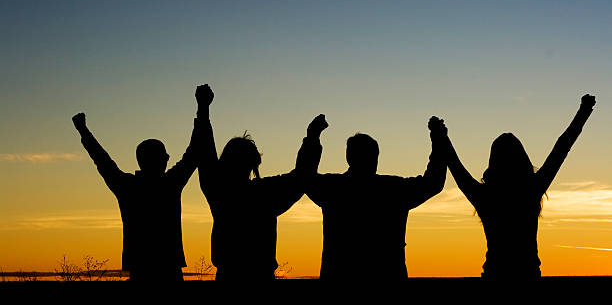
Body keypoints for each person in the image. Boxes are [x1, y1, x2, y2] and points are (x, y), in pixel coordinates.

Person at [440, 94, 596, 279]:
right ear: (523, 159)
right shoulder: (532, 189)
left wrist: (440, 135)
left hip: (495, 275)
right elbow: (562, 148)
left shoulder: (484, 196)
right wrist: (583, 112)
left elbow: (455, 165)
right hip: (527, 275)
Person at [71, 84, 211, 281]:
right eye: (165, 155)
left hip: (141, 270)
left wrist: (83, 131)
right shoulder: (169, 184)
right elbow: (194, 151)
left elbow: (102, 160)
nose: (168, 158)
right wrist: (203, 107)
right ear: (162, 159)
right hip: (168, 270)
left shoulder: (127, 186)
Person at [197, 86, 328, 280]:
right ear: (254, 163)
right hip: (260, 276)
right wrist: (312, 137)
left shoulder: (218, 190)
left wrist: (203, 109)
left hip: (229, 275)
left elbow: (205, 150)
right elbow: (301, 176)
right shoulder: (264, 193)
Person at [306, 117, 447, 281]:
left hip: (339, 277)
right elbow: (433, 182)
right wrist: (438, 139)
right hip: (387, 277)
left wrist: (313, 137)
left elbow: (305, 177)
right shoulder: (393, 189)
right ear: (375, 158)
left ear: (349, 157)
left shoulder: (333, 188)